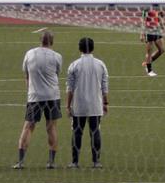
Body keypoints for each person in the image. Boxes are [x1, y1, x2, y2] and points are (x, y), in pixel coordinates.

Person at [13, 31, 62, 170]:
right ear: (52, 42)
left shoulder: (30, 54)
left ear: (40, 41)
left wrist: (30, 91)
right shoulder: (57, 56)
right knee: (51, 127)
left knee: (28, 127)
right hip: (52, 96)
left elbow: (26, 75)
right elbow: (57, 74)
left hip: (35, 96)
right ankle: (51, 162)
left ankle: (21, 161)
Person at [66, 37, 109, 169]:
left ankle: (75, 162)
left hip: (79, 105)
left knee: (77, 132)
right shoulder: (100, 64)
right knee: (95, 131)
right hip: (95, 104)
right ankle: (96, 161)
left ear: (80, 49)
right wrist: (105, 103)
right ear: (93, 48)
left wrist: (68, 105)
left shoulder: (74, 65)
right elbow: (105, 85)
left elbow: (70, 88)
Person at [141, 4, 165, 77]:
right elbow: (143, 21)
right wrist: (142, 34)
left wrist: (162, 27)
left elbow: (158, 17)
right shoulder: (147, 7)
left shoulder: (156, 6)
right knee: (149, 52)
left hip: (157, 30)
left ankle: (147, 63)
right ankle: (149, 70)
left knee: (162, 50)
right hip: (149, 31)